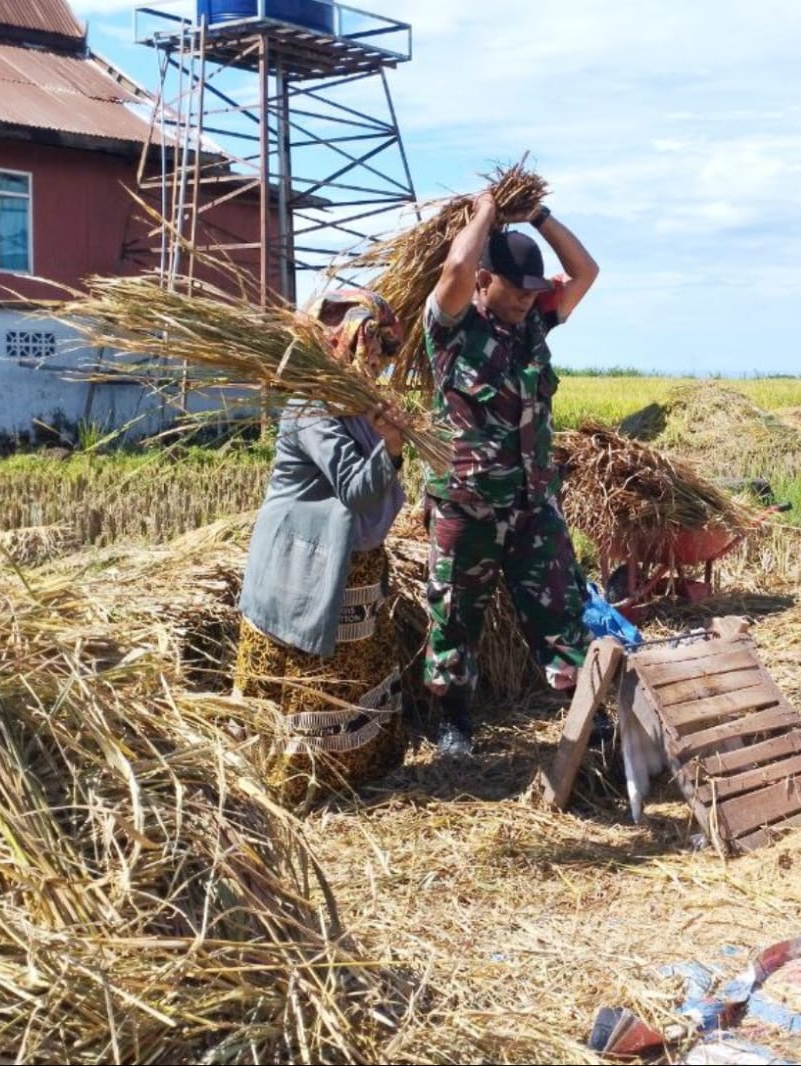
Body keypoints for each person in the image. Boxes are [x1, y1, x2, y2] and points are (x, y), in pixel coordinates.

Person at [421, 191, 601, 757]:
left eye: (532, 289)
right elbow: (455, 265)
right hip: (466, 506)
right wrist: (486, 212)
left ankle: (588, 722)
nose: (527, 298)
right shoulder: (451, 328)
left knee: (562, 614)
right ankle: (454, 724)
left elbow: (586, 272)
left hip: (532, 507)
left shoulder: (534, 326)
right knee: (454, 619)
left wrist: (539, 216)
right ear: (484, 280)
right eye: (516, 288)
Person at [235, 289, 410, 798]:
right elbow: (355, 489)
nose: (375, 363)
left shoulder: (357, 406)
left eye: (380, 353)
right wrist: (392, 446)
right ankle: (303, 783)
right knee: (309, 679)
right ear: (338, 345)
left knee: (355, 675)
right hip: (304, 565)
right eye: (366, 349)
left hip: (351, 564)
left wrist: (389, 439)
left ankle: (359, 774)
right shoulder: (312, 409)